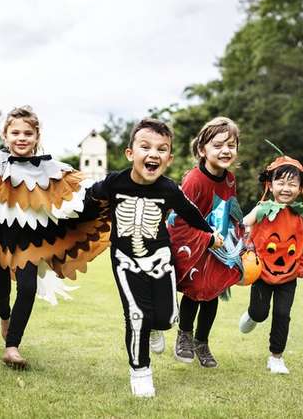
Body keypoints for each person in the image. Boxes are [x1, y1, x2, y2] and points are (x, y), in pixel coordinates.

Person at [0, 106, 110, 370]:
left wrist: (114, 186)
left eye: (28, 133)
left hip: (29, 242)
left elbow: (80, 189)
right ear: (5, 135)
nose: (21, 138)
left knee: (28, 288)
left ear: (36, 136)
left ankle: (12, 347)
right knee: (1, 292)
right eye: (15, 132)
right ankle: (4, 317)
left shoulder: (51, 167)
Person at [87, 118, 223, 397]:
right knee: (137, 314)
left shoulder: (169, 189)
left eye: (162, 149)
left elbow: (191, 213)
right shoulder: (114, 182)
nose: (153, 154)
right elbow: (87, 200)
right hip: (124, 259)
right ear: (130, 153)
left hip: (161, 257)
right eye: (145, 147)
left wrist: (211, 234)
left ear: (169, 158)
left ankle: (154, 327)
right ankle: (140, 371)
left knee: (164, 318)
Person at [238, 153, 303, 374]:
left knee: (282, 314)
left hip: (289, 274)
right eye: (280, 182)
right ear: (270, 185)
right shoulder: (262, 208)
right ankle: (253, 315)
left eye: (292, 183)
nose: (286, 188)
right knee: (261, 313)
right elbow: (242, 224)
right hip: (262, 271)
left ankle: (276, 357)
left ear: (300, 188)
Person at [167, 116, 243, 368]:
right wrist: (206, 239)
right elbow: (179, 219)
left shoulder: (230, 178)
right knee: (194, 293)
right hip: (197, 246)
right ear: (202, 149)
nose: (225, 150)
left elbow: (229, 208)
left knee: (213, 294)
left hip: (219, 247)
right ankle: (184, 336)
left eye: (231, 145)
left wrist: (239, 237)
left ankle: (202, 342)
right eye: (218, 145)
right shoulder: (194, 180)